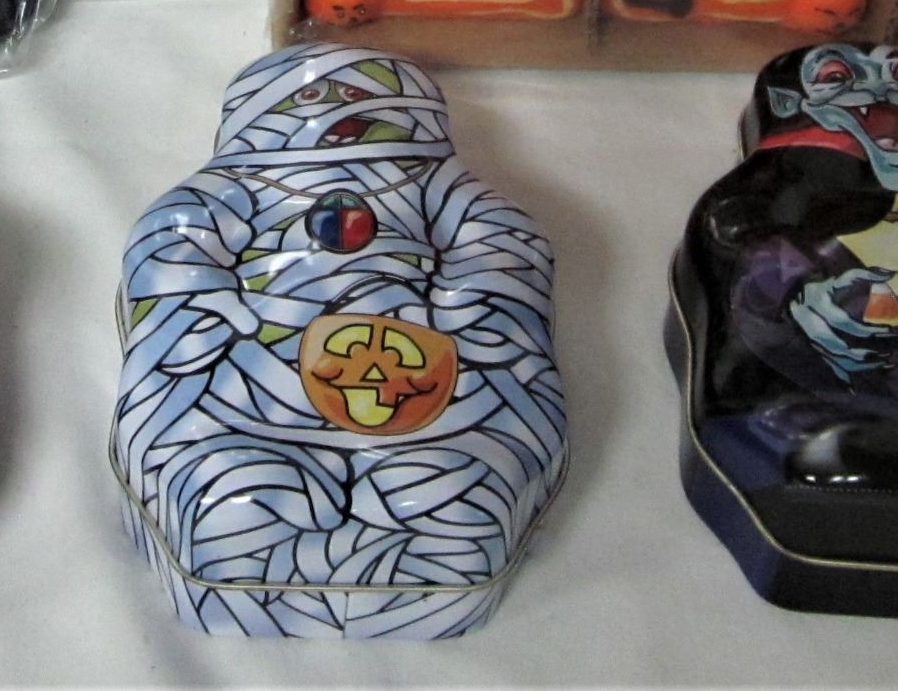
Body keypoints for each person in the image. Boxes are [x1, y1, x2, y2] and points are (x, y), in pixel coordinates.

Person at [111, 44, 568, 638]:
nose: (341, 111)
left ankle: (422, 539)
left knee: (454, 490)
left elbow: (504, 243)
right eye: (313, 96)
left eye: (357, 94)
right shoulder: (227, 189)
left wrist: (469, 300)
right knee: (227, 489)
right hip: (254, 372)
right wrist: (216, 302)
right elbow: (167, 243)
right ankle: (249, 521)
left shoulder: (438, 184)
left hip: (423, 368)